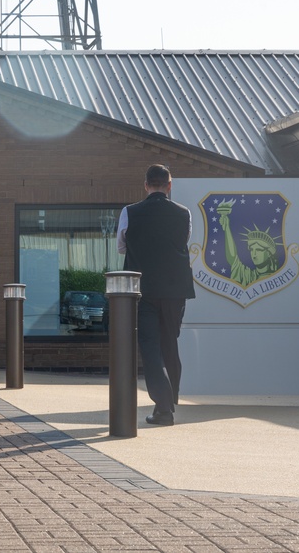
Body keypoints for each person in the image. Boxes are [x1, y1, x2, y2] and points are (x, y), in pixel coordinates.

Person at [117, 164, 196, 426]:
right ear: (169, 185)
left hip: (143, 289)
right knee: (169, 343)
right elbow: (183, 242)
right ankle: (169, 402)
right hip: (175, 290)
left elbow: (121, 247)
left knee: (150, 347)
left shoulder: (130, 212)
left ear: (146, 184)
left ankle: (164, 408)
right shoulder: (184, 213)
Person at [216, 200, 281, 287]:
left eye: (258, 250)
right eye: (251, 250)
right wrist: (227, 227)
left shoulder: (276, 277)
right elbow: (233, 259)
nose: (254, 254)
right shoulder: (249, 276)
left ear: (269, 253)